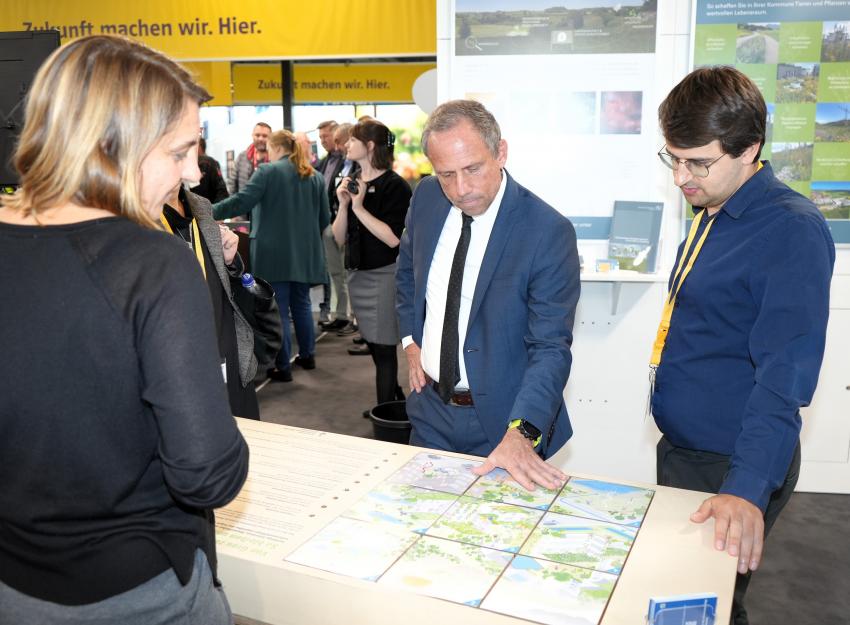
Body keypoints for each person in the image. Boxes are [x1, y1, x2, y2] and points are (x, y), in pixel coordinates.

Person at [0, 35, 248, 624]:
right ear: (113, 145)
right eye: (178, 151)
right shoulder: (152, 261)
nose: (192, 172)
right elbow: (207, 475)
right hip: (140, 594)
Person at [651, 66, 835, 625]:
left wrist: (746, 490)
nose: (681, 175)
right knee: (680, 599)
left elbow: (785, 376)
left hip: (732, 463)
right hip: (687, 451)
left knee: (707, 607)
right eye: (672, 158)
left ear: (750, 148)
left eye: (697, 162)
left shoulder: (789, 230)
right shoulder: (712, 207)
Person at [396, 99, 580, 491]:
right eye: (446, 174)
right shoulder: (427, 198)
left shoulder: (546, 231)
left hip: (503, 423)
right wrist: (412, 340)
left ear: (501, 152)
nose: (461, 189)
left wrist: (522, 432)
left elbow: (550, 347)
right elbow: (408, 274)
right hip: (430, 410)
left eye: (473, 169)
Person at [214, 130, 329, 383]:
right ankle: (308, 356)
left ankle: (282, 367)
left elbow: (241, 202)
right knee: (302, 305)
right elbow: (324, 219)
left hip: (273, 254)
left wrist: (206, 211)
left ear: (275, 148)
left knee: (279, 311)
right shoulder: (316, 177)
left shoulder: (267, 172)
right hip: (306, 255)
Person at [162, 185, 260, 419]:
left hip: (224, 346)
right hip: (177, 363)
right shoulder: (135, 217)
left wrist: (230, 261)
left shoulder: (199, 206)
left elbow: (221, 279)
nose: (197, 172)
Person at [333, 119, 411, 412]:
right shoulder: (352, 180)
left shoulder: (395, 186)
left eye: (352, 140)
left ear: (369, 146)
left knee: (385, 347)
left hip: (383, 276)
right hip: (358, 275)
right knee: (377, 348)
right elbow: (339, 238)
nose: (346, 145)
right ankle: (394, 402)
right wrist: (343, 205)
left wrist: (358, 207)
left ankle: (385, 415)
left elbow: (393, 239)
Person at [227, 122, 270, 194]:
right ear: (252, 135)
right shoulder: (242, 157)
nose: (260, 139)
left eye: (264, 136)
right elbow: (232, 184)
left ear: (270, 138)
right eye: (257, 135)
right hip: (245, 203)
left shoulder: (275, 160)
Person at [191, 137, 229, 203]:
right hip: (199, 208)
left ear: (199, 147)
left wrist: (213, 210)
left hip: (208, 208)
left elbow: (222, 191)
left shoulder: (209, 163)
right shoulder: (192, 165)